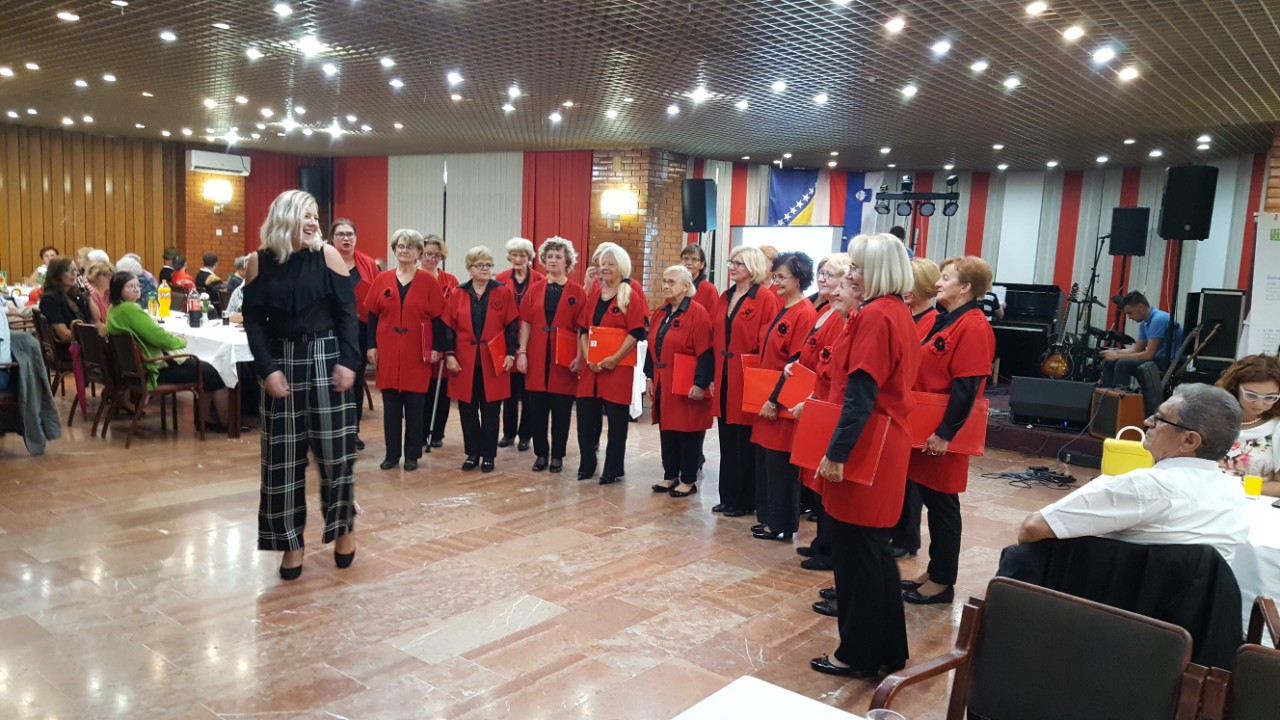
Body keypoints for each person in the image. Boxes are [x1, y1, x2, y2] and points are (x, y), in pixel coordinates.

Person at [810, 233, 919, 681]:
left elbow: (861, 394)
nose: (849, 275)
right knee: (873, 554)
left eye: (856, 267)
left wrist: (837, 453)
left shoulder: (875, 315)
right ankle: (886, 650)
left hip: (866, 444)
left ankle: (857, 654)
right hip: (881, 441)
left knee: (857, 555)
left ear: (876, 271)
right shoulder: (893, 310)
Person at [242, 189, 360, 581]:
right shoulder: (259, 261)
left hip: (327, 357)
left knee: (335, 455)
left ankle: (342, 530)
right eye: (305, 215)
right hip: (282, 361)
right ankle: (291, 543)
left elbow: (348, 314)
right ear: (284, 217)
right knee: (282, 459)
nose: (313, 222)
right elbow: (254, 321)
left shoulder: (327, 256)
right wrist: (267, 369)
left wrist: (348, 361)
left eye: (315, 216)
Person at [1017, 383, 1250, 563]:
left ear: (1189, 440)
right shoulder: (1236, 493)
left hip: (1113, 605)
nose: (1147, 421)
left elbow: (1033, 527)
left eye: (1160, 419)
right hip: (1193, 610)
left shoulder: (1143, 487)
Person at [901, 256, 997, 605]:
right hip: (927, 423)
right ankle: (934, 570)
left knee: (943, 504)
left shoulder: (973, 325)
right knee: (932, 498)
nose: (938, 283)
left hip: (944, 430)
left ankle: (943, 581)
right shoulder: (949, 319)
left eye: (946, 278)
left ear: (966, 287)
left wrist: (945, 433)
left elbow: (967, 387)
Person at [105, 271, 234, 429]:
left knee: (207, 371)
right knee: (214, 371)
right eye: (130, 286)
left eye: (138, 285)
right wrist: (181, 341)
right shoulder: (130, 310)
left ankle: (206, 420)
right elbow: (159, 337)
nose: (136, 289)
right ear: (118, 289)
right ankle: (227, 424)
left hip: (134, 370)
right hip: (154, 369)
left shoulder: (114, 309)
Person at [365, 229, 445, 472]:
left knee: (415, 406)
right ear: (394, 250)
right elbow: (372, 316)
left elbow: (439, 318)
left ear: (419, 252)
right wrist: (371, 345)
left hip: (417, 352)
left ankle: (412, 455)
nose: (404, 250)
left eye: (410, 247)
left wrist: (437, 348)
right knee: (390, 407)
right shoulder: (382, 279)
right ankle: (391, 455)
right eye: (400, 246)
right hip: (388, 350)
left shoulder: (428, 281)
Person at [792, 253, 853, 573]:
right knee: (815, 477)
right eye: (821, 273)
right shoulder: (823, 310)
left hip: (829, 403)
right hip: (815, 397)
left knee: (826, 479)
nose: (824, 279)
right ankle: (822, 540)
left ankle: (829, 547)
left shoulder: (841, 317)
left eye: (831, 275)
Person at [752, 252, 818, 541]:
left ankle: (781, 522)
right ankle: (769, 517)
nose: (776, 281)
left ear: (799, 279)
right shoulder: (784, 307)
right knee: (767, 461)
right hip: (768, 393)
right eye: (775, 276)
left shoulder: (804, 313)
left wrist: (775, 398)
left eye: (782, 277)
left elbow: (796, 363)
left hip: (783, 398)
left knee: (781, 463)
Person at [712, 245, 780, 517]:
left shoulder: (764, 298)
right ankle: (727, 496)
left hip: (747, 376)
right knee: (726, 438)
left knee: (744, 441)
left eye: (738, 263)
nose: (732, 267)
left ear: (752, 268)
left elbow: (769, 342)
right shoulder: (725, 296)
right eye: (731, 262)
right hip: (724, 374)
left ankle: (743, 500)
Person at [441, 247, 518, 473]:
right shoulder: (458, 293)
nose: (485, 269)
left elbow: (512, 326)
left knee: (491, 410)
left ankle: (488, 455)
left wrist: (511, 353)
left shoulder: (503, 291)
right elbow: (448, 328)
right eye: (480, 265)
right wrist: (449, 354)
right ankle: (472, 453)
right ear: (469, 268)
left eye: (488, 265)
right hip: (464, 361)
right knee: (467, 410)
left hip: (494, 360)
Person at [576, 244, 647, 484]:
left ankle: (613, 469)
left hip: (617, 369)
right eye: (603, 264)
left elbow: (636, 332)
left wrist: (614, 358)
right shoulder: (595, 293)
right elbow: (583, 328)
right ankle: (587, 465)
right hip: (592, 369)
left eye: (610, 264)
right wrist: (588, 357)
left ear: (621, 267)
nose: (605, 268)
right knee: (586, 419)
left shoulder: (630, 295)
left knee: (617, 424)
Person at [516, 236, 585, 473]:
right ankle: (541, 454)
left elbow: (582, 328)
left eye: (558, 256)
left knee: (562, 411)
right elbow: (526, 322)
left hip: (563, 359)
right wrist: (522, 352)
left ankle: (557, 455)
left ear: (567, 261)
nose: (553, 260)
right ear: (544, 260)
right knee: (536, 410)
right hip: (536, 355)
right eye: (550, 256)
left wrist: (580, 356)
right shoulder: (535, 289)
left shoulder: (577, 291)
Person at [890, 256, 943, 559]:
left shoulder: (933, 321)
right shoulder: (906, 316)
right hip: (900, 402)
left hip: (918, 405)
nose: (905, 288)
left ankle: (906, 537)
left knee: (911, 478)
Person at [646, 265, 715, 498]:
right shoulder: (661, 312)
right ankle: (670, 475)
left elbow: (706, 352)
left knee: (688, 431)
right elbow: (651, 346)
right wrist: (649, 377)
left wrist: (700, 383)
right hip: (663, 379)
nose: (665, 286)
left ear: (686, 286)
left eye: (671, 282)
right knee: (667, 429)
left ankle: (687, 479)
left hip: (687, 381)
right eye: (664, 281)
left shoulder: (698, 313)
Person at [331, 219, 380, 451]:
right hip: (328, 330)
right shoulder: (322, 261)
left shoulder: (368, 264)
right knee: (327, 381)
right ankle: (327, 432)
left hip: (358, 331)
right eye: (340, 234)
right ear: (332, 239)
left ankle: (353, 431)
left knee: (355, 381)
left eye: (350, 234)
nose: (346, 238)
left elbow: (376, 302)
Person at [496, 237, 544, 451]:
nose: (518, 259)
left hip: (531, 342)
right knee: (508, 392)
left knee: (528, 393)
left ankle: (526, 434)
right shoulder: (500, 278)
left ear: (529, 257)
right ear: (509, 257)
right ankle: (508, 433)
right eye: (514, 255)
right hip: (507, 341)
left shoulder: (540, 279)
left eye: (522, 255)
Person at [1216, 354, 1280, 497]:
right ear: (1235, 387)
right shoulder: (1212, 417)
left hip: (1250, 502)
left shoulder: (1277, 426)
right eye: (1251, 395)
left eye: (1270, 397)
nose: (1259, 404)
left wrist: (1235, 488)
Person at [422, 234, 459, 450]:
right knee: (421, 388)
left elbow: (454, 311)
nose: (432, 259)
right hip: (420, 337)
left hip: (443, 337)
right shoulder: (414, 276)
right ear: (420, 254)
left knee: (441, 387)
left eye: (437, 255)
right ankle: (420, 431)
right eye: (428, 254)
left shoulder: (450, 280)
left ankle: (437, 432)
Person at [1100, 291, 1181, 389]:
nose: (1129, 317)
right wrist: (1114, 352)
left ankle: (1121, 394)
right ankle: (1107, 394)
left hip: (1168, 363)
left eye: (1130, 313)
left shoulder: (1158, 320)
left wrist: (1117, 356)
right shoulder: (1145, 322)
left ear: (1140, 307)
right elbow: (1136, 349)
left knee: (1123, 363)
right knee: (1108, 362)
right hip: (1157, 360)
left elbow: (1148, 355)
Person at [38, 257, 91, 354]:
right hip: (69, 349)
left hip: (84, 345)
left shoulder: (74, 295)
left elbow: (92, 320)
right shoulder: (50, 299)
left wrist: (89, 298)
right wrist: (92, 335)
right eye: (68, 270)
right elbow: (63, 335)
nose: (73, 274)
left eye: (75, 270)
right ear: (56, 273)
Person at [680, 243, 719, 312]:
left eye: (694, 260)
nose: (689, 263)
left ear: (702, 264)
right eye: (685, 259)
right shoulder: (675, 286)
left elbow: (714, 316)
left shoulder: (709, 289)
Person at [84, 260, 114, 325]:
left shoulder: (108, 293)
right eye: (104, 275)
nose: (109, 278)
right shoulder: (90, 292)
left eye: (111, 275)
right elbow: (96, 322)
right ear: (93, 275)